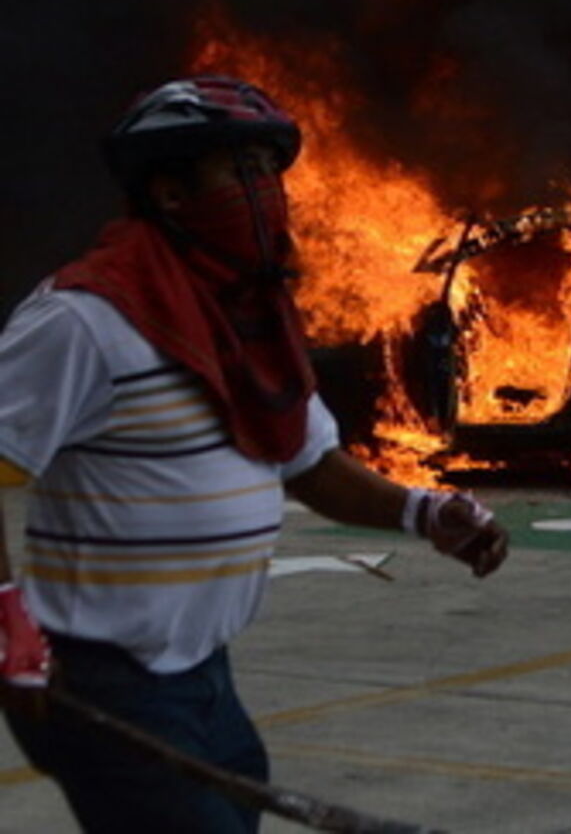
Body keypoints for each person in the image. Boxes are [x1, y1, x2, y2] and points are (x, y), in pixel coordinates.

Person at [0, 75, 509, 832]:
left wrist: (424, 513)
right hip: (101, 678)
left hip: (203, 673)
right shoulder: (84, 318)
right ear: (171, 193)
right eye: (240, 171)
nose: (266, 191)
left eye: (271, 170)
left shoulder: (247, 319)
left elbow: (305, 461)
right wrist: (6, 620)